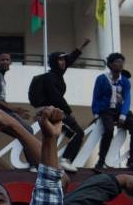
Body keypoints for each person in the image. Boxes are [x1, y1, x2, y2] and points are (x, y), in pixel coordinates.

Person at [28, 40, 91, 172]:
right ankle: (66, 159)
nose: (63, 62)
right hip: (49, 111)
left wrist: (81, 47)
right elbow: (56, 97)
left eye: (64, 60)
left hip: (50, 110)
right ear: (54, 62)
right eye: (60, 60)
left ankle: (39, 163)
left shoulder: (57, 75)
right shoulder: (51, 77)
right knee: (77, 133)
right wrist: (69, 112)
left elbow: (71, 58)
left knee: (51, 138)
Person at [91, 53, 133, 174]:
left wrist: (124, 114)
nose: (120, 64)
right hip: (107, 110)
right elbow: (96, 97)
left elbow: (127, 99)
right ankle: (101, 160)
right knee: (108, 130)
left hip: (121, 110)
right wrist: (96, 113)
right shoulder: (101, 79)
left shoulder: (125, 81)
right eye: (117, 62)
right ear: (110, 64)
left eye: (122, 62)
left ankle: (132, 160)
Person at [0, 52, 32, 132]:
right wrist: (14, 109)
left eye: (7, 60)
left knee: (25, 131)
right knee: (28, 130)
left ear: (10, 62)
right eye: (2, 60)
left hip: (0, 109)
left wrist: (13, 111)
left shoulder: (1, 76)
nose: (5, 62)